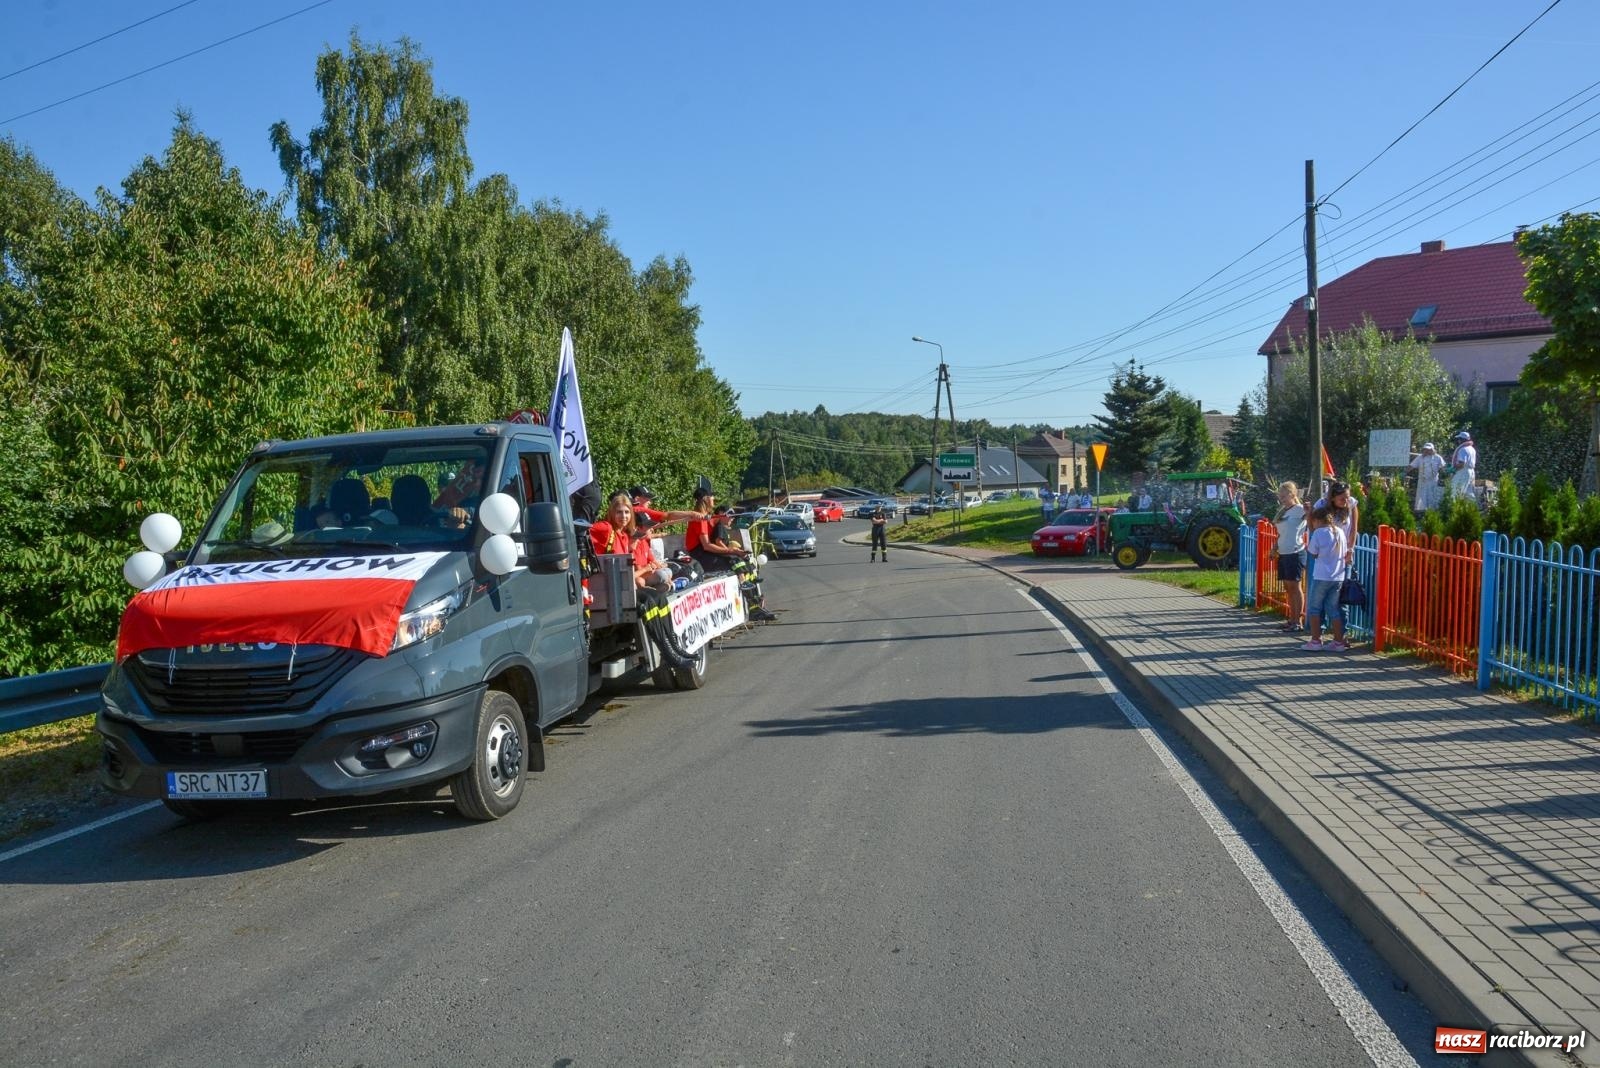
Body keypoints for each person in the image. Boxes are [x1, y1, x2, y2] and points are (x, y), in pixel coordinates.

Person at [1303, 504, 1349, 652]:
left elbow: (1313, 552)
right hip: (1338, 576)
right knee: (1333, 609)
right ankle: (1338, 641)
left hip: (1321, 575)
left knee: (1314, 608)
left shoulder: (1318, 533)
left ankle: (1316, 640)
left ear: (1317, 520)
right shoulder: (1340, 532)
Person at [1272, 481, 1307, 634]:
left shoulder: (1299, 510)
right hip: (1284, 553)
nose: (1282, 499)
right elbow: (1281, 534)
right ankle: (1291, 619)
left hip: (1295, 552)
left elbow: (1312, 519)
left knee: (1295, 586)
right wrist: (1274, 548)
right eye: (1280, 496)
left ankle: (1298, 620)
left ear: (1293, 495)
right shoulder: (1282, 512)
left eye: (1284, 496)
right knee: (1288, 587)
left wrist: (1310, 509)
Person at [1315, 480, 1358, 569]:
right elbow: (1314, 527)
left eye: (1347, 497)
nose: (1346, 501)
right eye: (1342, 499)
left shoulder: (1351, 503)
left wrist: (1350, 551)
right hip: (1325, 551)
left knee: (1345, 581)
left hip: (1344, 550)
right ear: (1332, 498)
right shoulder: (1321, 504)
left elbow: (1353, 529)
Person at [1408, 443, 1445, 511]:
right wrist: (1404, 472)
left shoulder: (1438, 457)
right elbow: (1412, 466)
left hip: (1433, 482)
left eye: (1429, 449)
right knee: (1421, 498)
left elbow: (1443, 467)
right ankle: (1420, 512)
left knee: (1432, 497)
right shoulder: (1420, 457)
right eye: (1425, 449)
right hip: (1422, 482)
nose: (1427, 451)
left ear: (1432, 450)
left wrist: (1446, 475)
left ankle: (1432, 512)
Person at [1449, 430, 1477, 501]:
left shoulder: (1463, 449)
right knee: (1469, 492)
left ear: (1462, 440)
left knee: (1456, 491)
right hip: (1471, 472)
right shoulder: (1472, 449)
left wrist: (1452, 468)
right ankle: (1473, 509)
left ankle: (1455, 509)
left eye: (1459, 439)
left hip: (1463, 471)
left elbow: (1462, 464)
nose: (1458, 441)